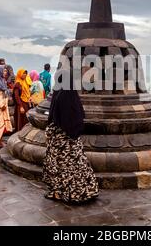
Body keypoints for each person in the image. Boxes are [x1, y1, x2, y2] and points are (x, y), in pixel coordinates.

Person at [42, 71, 99, 203]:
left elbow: (54, 117)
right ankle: (83, 191)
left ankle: (58, 192)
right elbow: (78, 117)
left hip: (60, 140)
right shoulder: (72, 94)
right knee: (77, 165)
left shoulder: (60, 94)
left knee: (58, 167)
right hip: (73, 140)